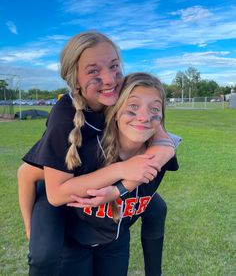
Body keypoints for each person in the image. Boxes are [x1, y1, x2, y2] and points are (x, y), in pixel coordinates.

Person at [18, 31, 178, 276]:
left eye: (114, 66)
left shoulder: (121, 93)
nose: (109, 79)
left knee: (156, 207)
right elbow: (34, 179)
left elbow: (162, 137)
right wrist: (122, 171)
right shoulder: (66, 115)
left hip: (103, 195)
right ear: (75, 80)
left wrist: (120, 188)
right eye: (93, 71)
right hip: (61, 188)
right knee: (43, 255)